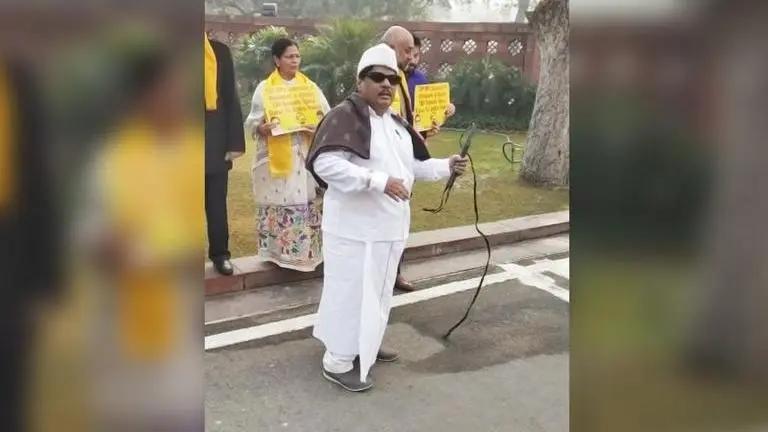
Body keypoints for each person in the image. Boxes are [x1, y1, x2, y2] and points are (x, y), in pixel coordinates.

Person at [306, 43, 468, 392]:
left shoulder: (395, 123)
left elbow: (411, 168)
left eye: (391, 79)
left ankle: (365, 343)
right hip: (353, 231)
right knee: (350, 294)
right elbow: (326, 164)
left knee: (378, 295)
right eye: (377, 77)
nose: (385, 85)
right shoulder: (344, 116)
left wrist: (446, 165)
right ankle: (337, 361)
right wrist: (378, 181)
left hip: (387, 229)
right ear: (360, 81)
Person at [245, 38, 331, 272]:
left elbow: (327, 117)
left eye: (297, 56)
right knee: (280, 202)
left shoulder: (310, 88)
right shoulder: (265, 88)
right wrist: (261, 128)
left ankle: (307, 255)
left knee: (307, 201)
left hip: (305, 154)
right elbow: (252, 122)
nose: (295, 61)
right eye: (289, 57)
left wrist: (317, 127)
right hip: (276, 157)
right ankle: (279, 255)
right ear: (277, 60)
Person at [205, 35, 246, 276]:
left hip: (215, 141)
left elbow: (230, 97)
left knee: (216, 204)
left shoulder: (219, 51)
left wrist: (234, 143)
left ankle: (220, 255)